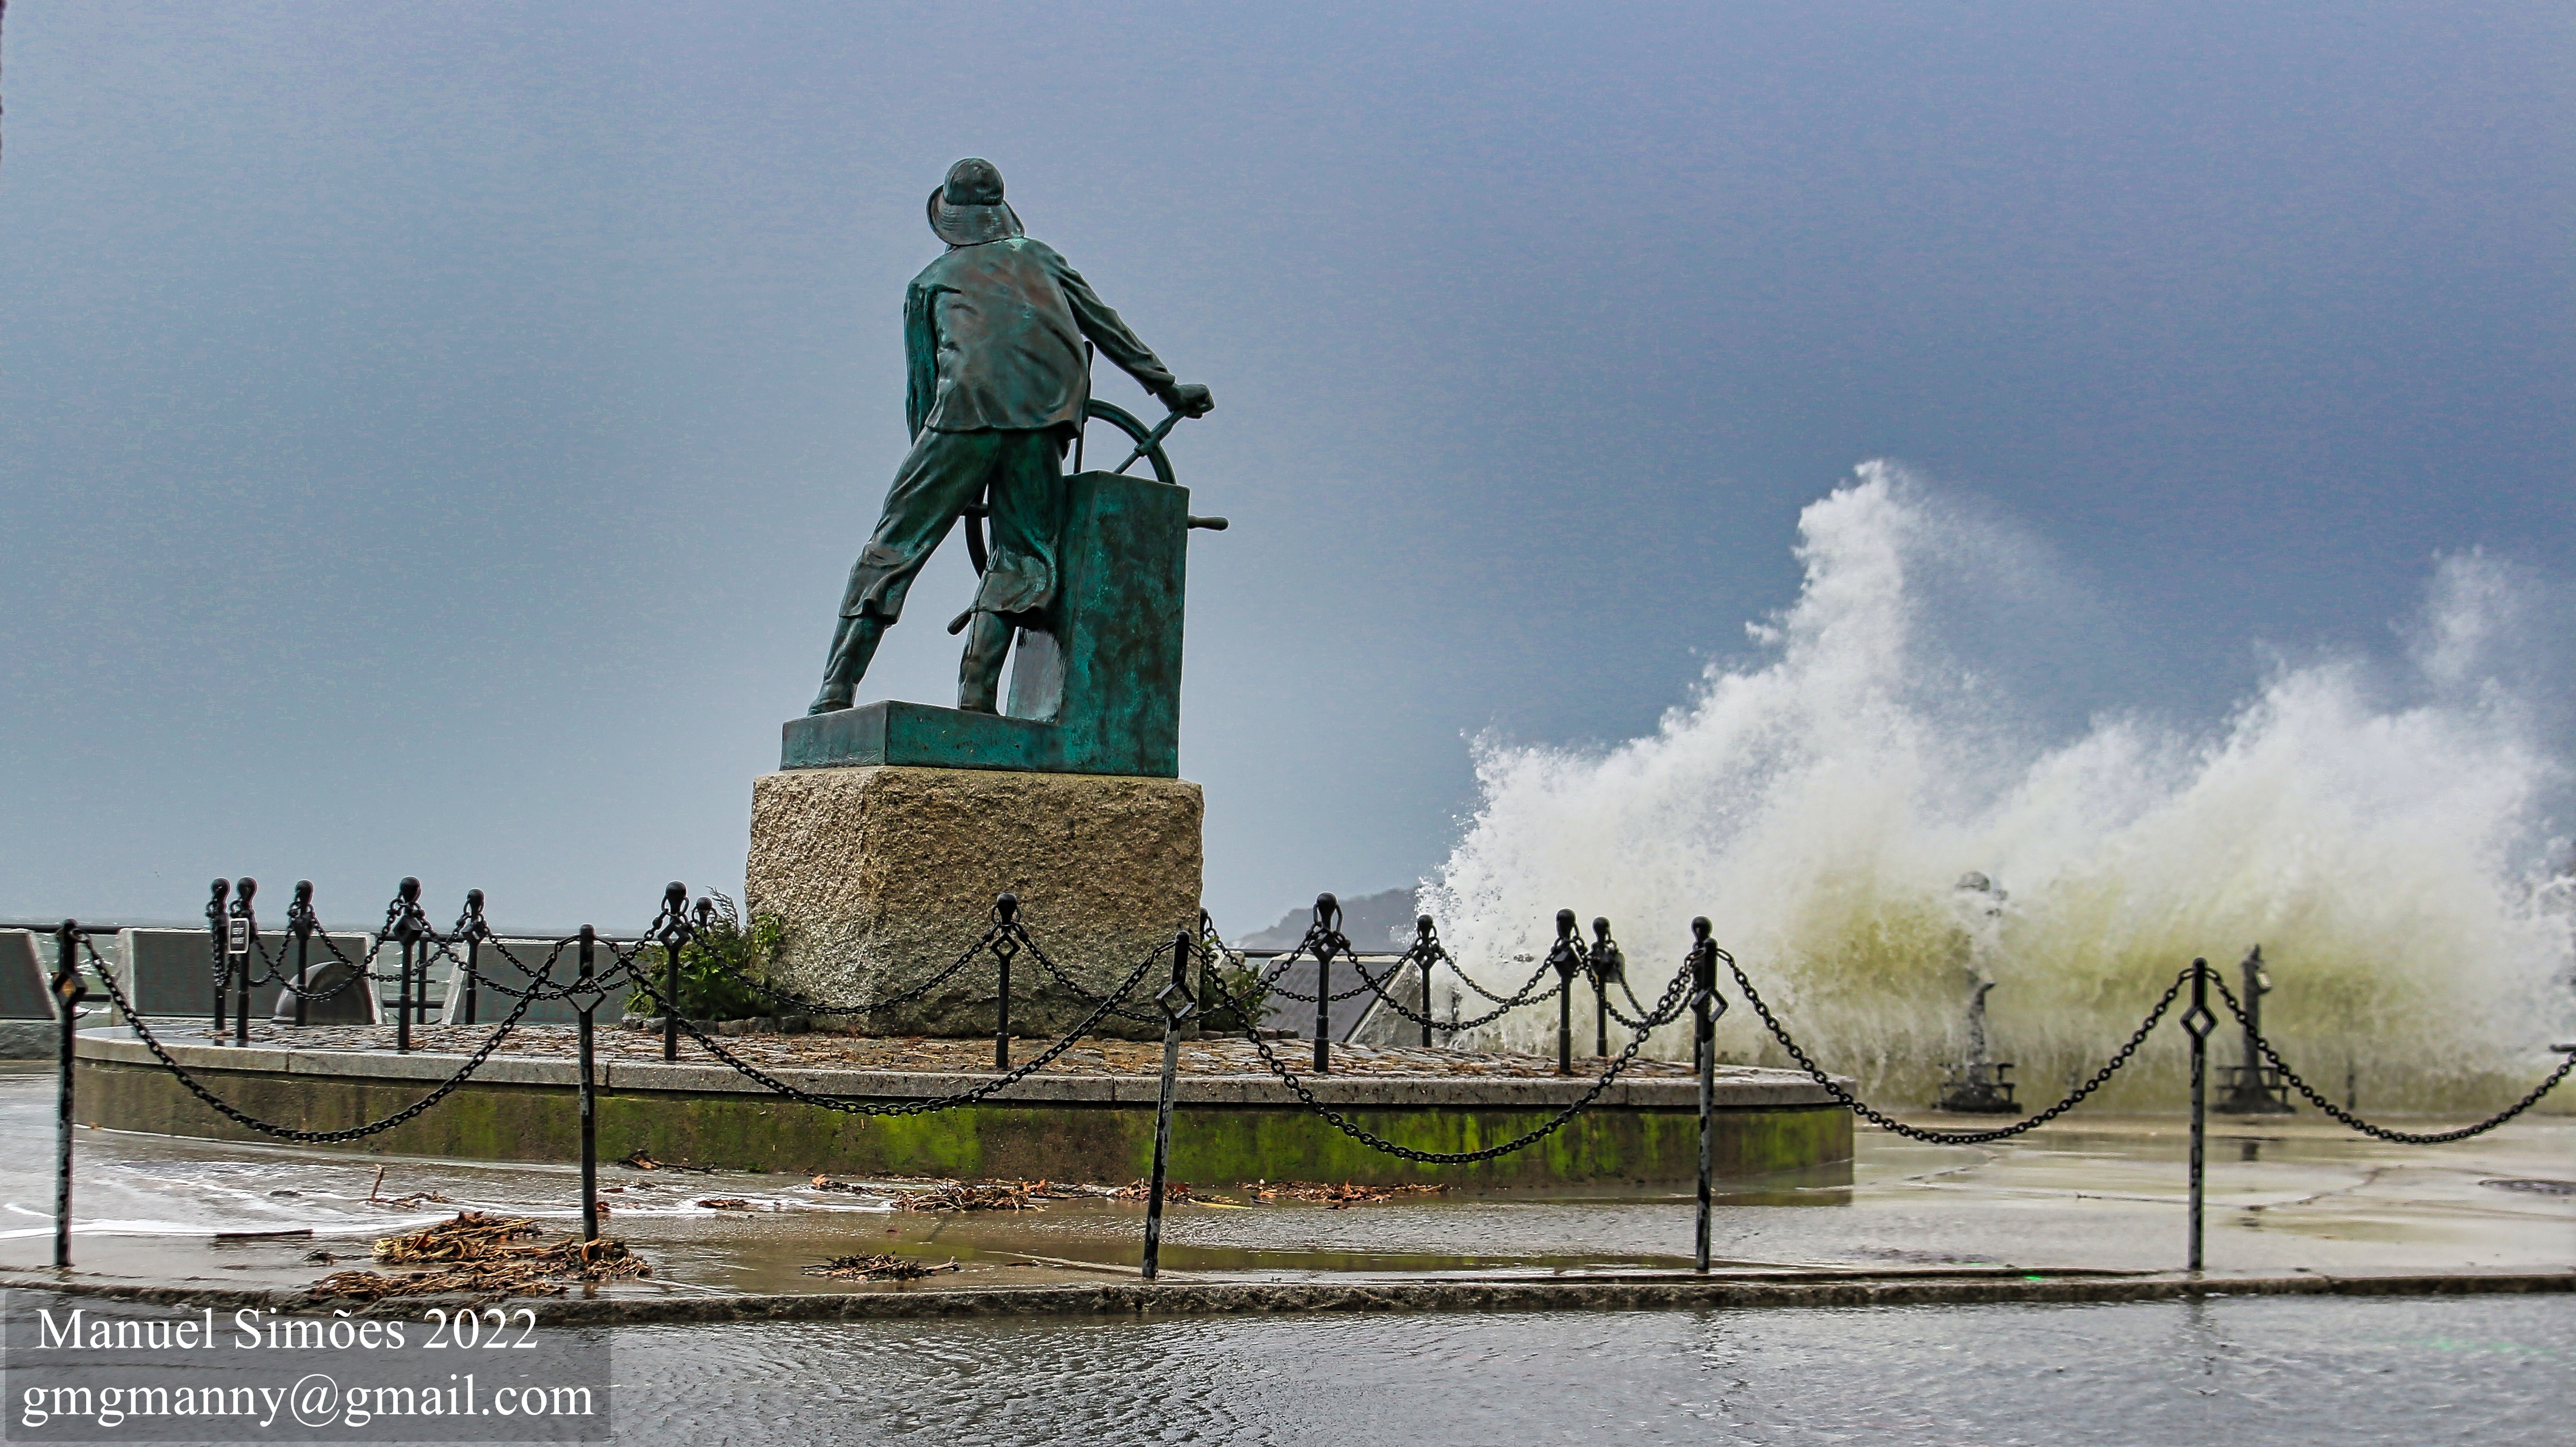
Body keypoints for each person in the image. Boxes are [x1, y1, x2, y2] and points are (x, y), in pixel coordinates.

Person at [809, 158, 1214, 716]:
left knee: (893, 548)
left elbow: (922, 392)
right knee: (1022, 559)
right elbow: (1106, 326)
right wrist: (1168, 389)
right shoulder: (1041, 258)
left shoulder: (927, 283)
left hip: (960, 421)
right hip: (1041, 420)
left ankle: (836, 688)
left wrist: (936, 469)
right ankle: (976, 697)